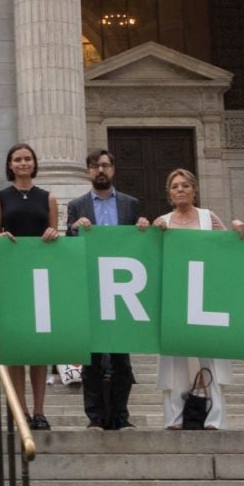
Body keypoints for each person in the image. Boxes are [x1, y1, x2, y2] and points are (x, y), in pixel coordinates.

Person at [0, 142, 62, 427]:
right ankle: (21, 410)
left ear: (34, 164)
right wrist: (0, 238)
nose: (22, 163)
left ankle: (40, 410)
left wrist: (55, 233)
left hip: (41, 277)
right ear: (10, 165)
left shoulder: (48, 198)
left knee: (39, 348)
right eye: (17, 159)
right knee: (17, 347)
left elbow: (54, 233)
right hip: (12, 276)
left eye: (27, 159)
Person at [68, 147, 140, 431]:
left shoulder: (130, 204)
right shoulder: (77, 206)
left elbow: (138, 243)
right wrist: (74, 227)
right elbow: (69, 242)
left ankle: (121, 416)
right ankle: (95, 418)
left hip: (124, 290)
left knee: (122, 359)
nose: (101, 170)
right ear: (88, 171)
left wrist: (143, 227)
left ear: (113, 169)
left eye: (105, 165)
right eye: (96, 166)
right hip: (92, 289)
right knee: (93, 359)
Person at [149, 168, 227, 431]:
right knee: (174, 360)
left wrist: (239, 231)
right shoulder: (162, 221)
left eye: (185, 185)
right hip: (174, 298)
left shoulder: (208, 218)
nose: (180, 190)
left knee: (211, 358)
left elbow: (228, 247)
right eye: (175, 186)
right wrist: (149, 232)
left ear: (194, 190)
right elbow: (149, 259)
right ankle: (175, 417)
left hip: (206, 298)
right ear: (169, 194)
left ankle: (215, 417)